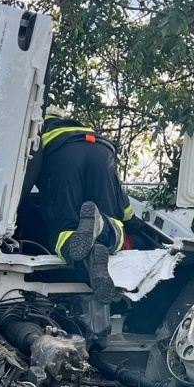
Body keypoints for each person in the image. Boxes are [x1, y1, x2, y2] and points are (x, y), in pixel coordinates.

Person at [34, 106, 133, 302]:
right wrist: (133, 221)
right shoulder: (78, 126)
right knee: (116, 223)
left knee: (64, 231)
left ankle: (85, 263)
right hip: (102, 149)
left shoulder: (34, 128)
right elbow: (121, 200)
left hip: (61, 153)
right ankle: (102, 225)